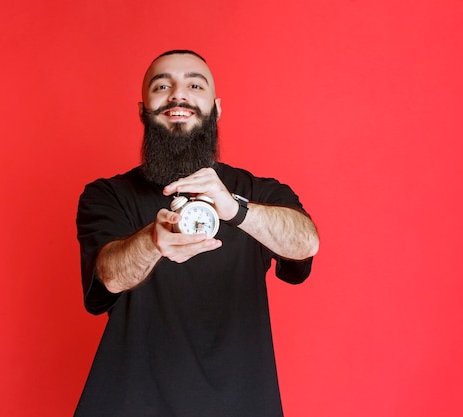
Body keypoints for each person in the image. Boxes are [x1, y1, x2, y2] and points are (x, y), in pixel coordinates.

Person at [75, 49, 320, 417]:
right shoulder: (106, 195)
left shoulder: (260, 191)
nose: (178, 95)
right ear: (143, 109)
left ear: (216, 108)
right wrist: (152, 241)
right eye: (162, 85)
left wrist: (236, 210)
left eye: (194, 84)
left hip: (242, 402)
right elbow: (109, 275)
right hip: (131, 403)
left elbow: (306, 242)